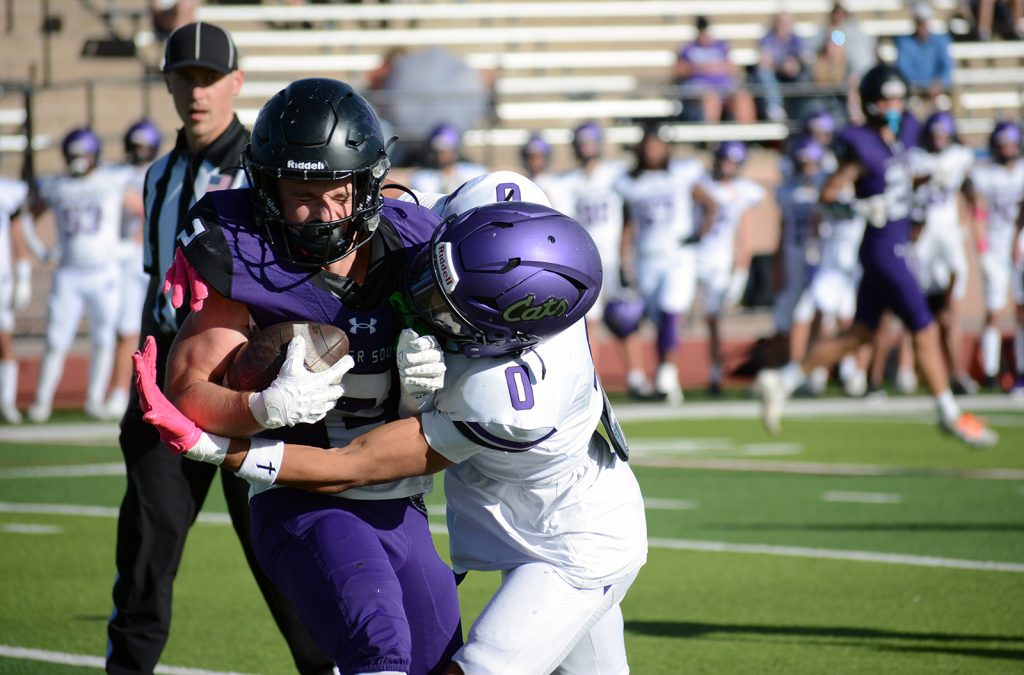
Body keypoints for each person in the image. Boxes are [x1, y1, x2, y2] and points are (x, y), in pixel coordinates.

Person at [147, 195, 647, 675]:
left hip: (573, 537)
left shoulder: (508, 397)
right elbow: (358, 193)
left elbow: (355, 464)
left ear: (504, 335)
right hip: (500, 504)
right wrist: (209, 236)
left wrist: (212, 447)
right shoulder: (503, 208)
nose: (421, 295)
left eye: (448, 305)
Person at [153, 76, 464, 675]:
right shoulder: (241, 250)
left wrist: (439, 380)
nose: (322, 214)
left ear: (369, 182)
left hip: (404, 505)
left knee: (443, 666)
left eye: (339, 192)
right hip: (303, 500)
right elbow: (188, 391)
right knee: (380, 652)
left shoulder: (417, 244)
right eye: (301, 193)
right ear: (266, 188)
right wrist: (263, 409)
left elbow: (490, 379)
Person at [105, 24, 336, 675]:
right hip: (167, 389)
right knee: (145, 560)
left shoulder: (267, 172)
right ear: (170, 84)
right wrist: (142, 390)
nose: (198, 91)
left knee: (284, 556)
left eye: (210, 77)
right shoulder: (158, 177)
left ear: (236, 80)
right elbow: (159, 284)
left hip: (246, 380)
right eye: (185, 77)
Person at [755, 63, 998, 448]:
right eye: (888, 99)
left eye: (899, 98)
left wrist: (928, 177)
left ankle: (782, 380)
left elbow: (904, 174)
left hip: (895, 242)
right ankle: (950, 413)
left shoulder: (903, 135)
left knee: (860, 334)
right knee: (925, 326)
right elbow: (829, 195)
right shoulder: (861, 144)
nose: (896, 105)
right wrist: (858, 209)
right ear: (871, 103)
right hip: (884, 247)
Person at [26, 128, 128, 422]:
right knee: (56, 339)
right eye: (73, 154)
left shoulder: (110, 181)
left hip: (104, 273)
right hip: (69, 273)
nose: (78, 160)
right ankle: (42, 401)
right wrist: (42, 250)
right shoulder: (57, 186)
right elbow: (28, 216)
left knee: (103, 338)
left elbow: (142, 208)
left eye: (83, 154)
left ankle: (94, 399)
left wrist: (129, 246)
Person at [549, 121, 655, 400]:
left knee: (626, 319)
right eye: (582, 142)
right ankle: (591, 380)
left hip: (612, 258)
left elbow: (632, 208)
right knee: (588, 324)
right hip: (583, 260)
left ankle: (637, 377)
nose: (586, 148)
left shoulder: (615, 174)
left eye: (590, 142)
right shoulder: (567, 182)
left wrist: (626, 254)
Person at [614, 123, 715, 404]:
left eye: (657, 145)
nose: (652, 151)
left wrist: (699, 234)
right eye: (648, 146)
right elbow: (628, 225)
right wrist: (623, 261)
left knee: (672, 309)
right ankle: (664, 376)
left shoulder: (682, 174)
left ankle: (668, 375)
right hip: (647, 258)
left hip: (677, 255)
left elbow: (710, 204)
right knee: (657, 320)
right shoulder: (630, 182)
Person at [903, 111, 977, 395]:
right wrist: (926, 177)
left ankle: (957, 373)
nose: (938, 139)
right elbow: (906, 184)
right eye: (934, 134)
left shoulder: (959, 156)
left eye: (943, 134)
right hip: (921, 237)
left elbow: (971, 192)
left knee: (950, 311)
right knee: (913, 307)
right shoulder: (917, 157)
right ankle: (909, 370)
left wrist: (972, 225)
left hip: (947, 236)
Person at [694, 141, 764, 396]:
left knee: (713, 318)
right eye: (725, 159)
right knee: (678, 314)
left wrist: (741, 270)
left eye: (733, 161)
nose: (728, 165)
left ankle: (715, 374)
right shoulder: (701, 183)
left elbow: (743, 235)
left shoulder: (744, 192)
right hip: (690, 254)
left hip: (720, 259)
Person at [104, 119, 162, 420]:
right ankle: (119, 389)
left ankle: (153, 388)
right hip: (127, 256)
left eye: (144, 145)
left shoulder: (160, 172)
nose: (139, 151)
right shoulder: (118, 174)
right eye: (135, 145)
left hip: (153, 256)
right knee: (126, 326)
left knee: (160, 325)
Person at [962, 120, 1024, 392]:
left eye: (1011, 144)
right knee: (994, 311)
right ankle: (990, 371)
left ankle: (1020, 370)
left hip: (1020, 245)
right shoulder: (986, 176)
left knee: (1022, 312)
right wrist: (983, 248)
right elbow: (977, 209)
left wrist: (1016, 241)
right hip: (996, 247)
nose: (1007, 149)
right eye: (1003, 145)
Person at [674, 15, 756, 123]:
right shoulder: (688, 48)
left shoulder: (721, 47)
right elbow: (678, 70)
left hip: (724, 86)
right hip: (700, 88)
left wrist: (717, 67)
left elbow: (733, 68)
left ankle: (749, 135)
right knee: (711, 98)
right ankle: (711, 135)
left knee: (742, 97)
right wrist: (700, 68)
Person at [0, 170, 31, 424]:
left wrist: (23, 273)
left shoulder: (7, 191)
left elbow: (18, 234)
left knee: (3, 341)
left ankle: (7, 402)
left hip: (1, 277)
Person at [754, 12, 813, 122]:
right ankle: (774, 107)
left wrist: (796, 63)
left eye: (787, 23)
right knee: (764, 73)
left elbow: (807, 57)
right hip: (775, 75)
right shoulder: (767, 39)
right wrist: (781, 66)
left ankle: (807, 107)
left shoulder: (797, 39)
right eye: (781, 23)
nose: (784, 26)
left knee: (808, 72)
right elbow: (764, 62)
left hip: (795, 74)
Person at [895, 2, 954, 101]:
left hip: (938, 90)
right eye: (919, 22)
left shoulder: (941, 41)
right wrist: (926, 86)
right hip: (915, 92)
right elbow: (904, 69)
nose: (922, 26)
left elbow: (946, 65)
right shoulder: (904, 43)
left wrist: (938, 83)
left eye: (924, 22)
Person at [408, 124, 487, 195]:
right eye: (436, 151)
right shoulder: (422, 178)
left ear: (455, 152)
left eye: (445, 150)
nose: (441, 156)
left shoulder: (475, 172)